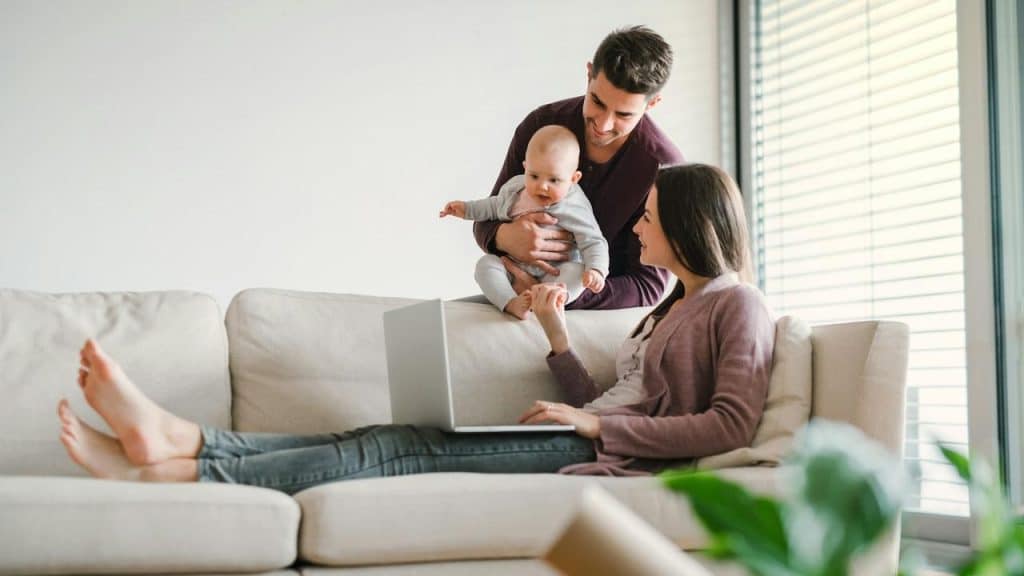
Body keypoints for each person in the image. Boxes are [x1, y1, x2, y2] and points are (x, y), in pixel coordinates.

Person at [57, 164, 774, 494]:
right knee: (375, 439)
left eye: (649, 214)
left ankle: (180, 465)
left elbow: (730, 426)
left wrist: (593, 432)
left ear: (687, 225)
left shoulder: (738, 306)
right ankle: (185, 444)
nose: (636, 224)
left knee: (397, 453)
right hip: (581, 433)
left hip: (617, 462)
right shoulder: (670, 307)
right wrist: (559, 344)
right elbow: (610, 401)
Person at [475, 25, 684, 311]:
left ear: (653, 103)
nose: (603, 124)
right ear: (589, 74)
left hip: (591, 311)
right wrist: (504, 236)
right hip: (514, 293)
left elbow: (647, 286)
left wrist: (558, 295)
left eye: (623, 114)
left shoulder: (662, 168)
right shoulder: (541, 126)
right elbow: (486, 218)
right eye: (597, 101)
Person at [441, 125, 608, 320]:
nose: (542, 186)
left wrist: (596, 270)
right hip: (512, 268)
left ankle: (551, 299)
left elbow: (593, 240)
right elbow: (494, 206)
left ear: (573, 179)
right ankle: (511, 302)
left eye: (554, 180)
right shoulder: (515, 189)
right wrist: (466, 209)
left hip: (554, 273)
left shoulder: (574, 205)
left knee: (577, 272)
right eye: (534, 176)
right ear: (525, 167)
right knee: (485, 265)